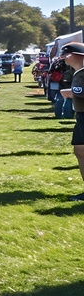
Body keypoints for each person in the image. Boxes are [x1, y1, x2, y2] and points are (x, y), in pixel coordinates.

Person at [59, 42, 84, 201]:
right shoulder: (77, 72)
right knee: (79, 150)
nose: (64, 57)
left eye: (67, 54)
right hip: (81, 116)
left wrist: (71, 94)